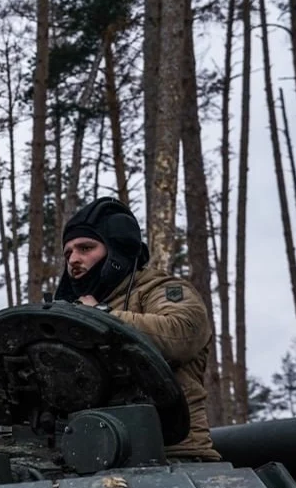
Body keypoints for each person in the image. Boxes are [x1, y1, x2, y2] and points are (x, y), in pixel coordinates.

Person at [55, 197, 220, 460]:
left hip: (176, 454)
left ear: (118, 249)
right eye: (68, 253)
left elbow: (181, 333)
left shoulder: (160, 291)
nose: (74, 259)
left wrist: (100, 317)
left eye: (86, 248)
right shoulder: (76, 310)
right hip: (94, 457)